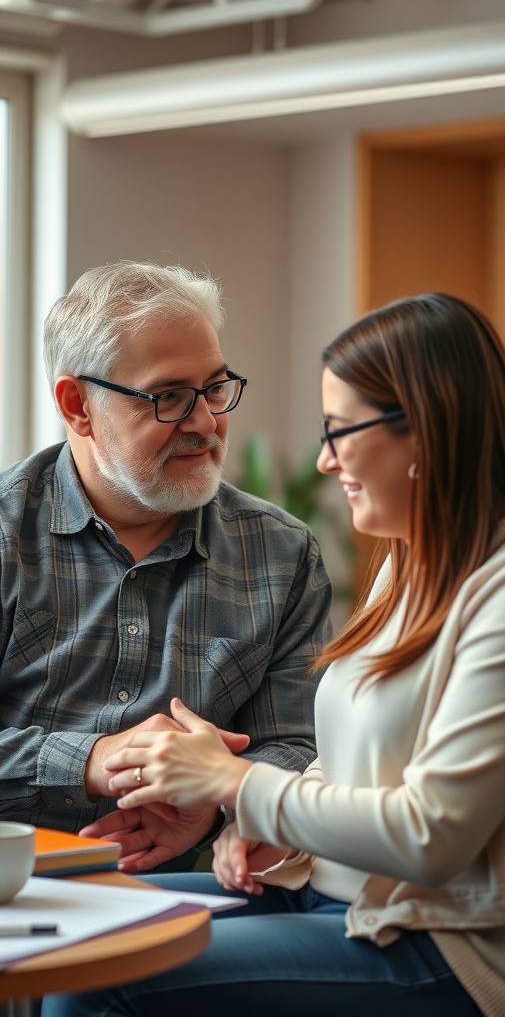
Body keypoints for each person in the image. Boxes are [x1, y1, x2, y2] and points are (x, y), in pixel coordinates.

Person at [41, 292, 505, 1017]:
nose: (325, 461)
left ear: (423, 430)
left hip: (441, 948)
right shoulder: (413, 563)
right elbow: (353, 762)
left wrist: (235, 785)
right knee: (69, 923)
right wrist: (272, 834)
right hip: (324, 897)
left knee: (99, 975)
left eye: (339, 431)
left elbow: (431, 837)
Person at [0, 260, 333, 873]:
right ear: (78, 407)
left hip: (196, 895)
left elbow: (299, 747)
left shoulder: (282, 554)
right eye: (169, 397)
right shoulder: (6, 535)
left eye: (213, 388)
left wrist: (214, 798)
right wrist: (94, 760)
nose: (206, 422)